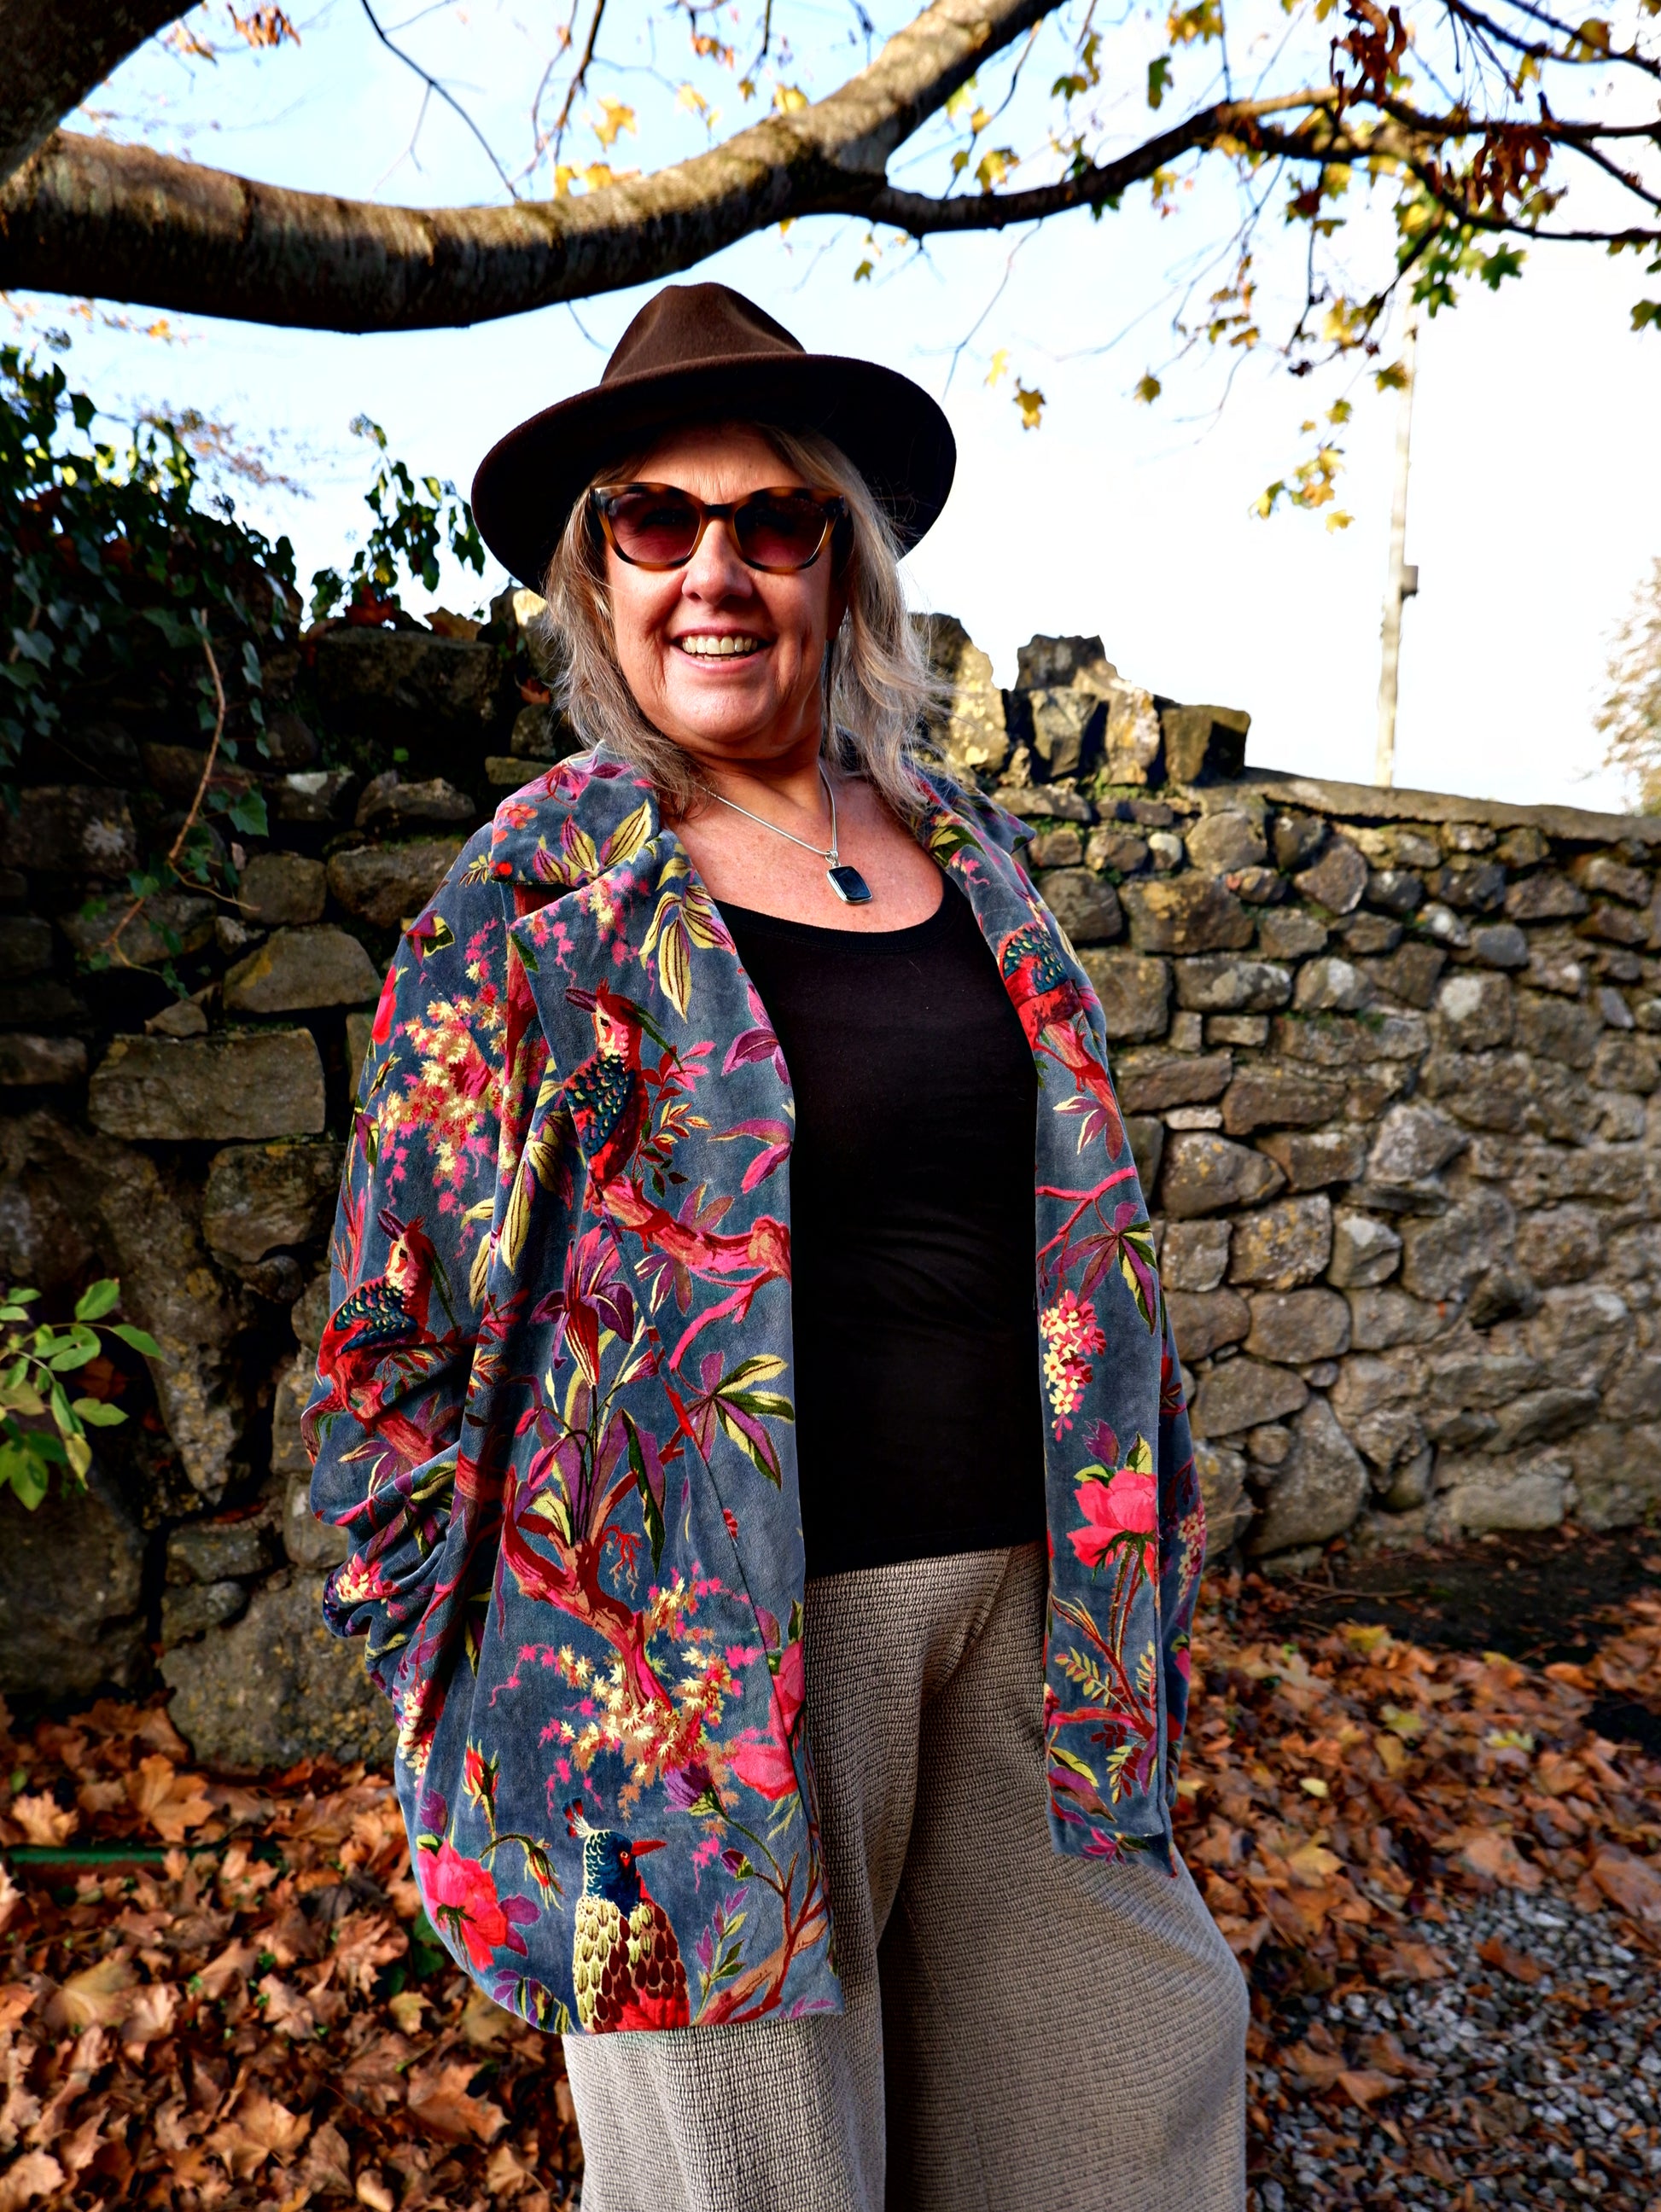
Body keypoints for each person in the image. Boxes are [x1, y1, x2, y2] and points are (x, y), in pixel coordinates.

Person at [306, 282, 1246, 2212]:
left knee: (1128, 2101)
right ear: (599, 575)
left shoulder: (965, 852)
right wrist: (483, 1672)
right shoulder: (537, 892)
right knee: (763, 2189)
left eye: (771, 521)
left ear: (842, 562)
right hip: (693, 1692)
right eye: (657, 521)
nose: (713, 572)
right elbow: (385, 1332)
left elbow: (1077, 1228)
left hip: (1035, 1632)